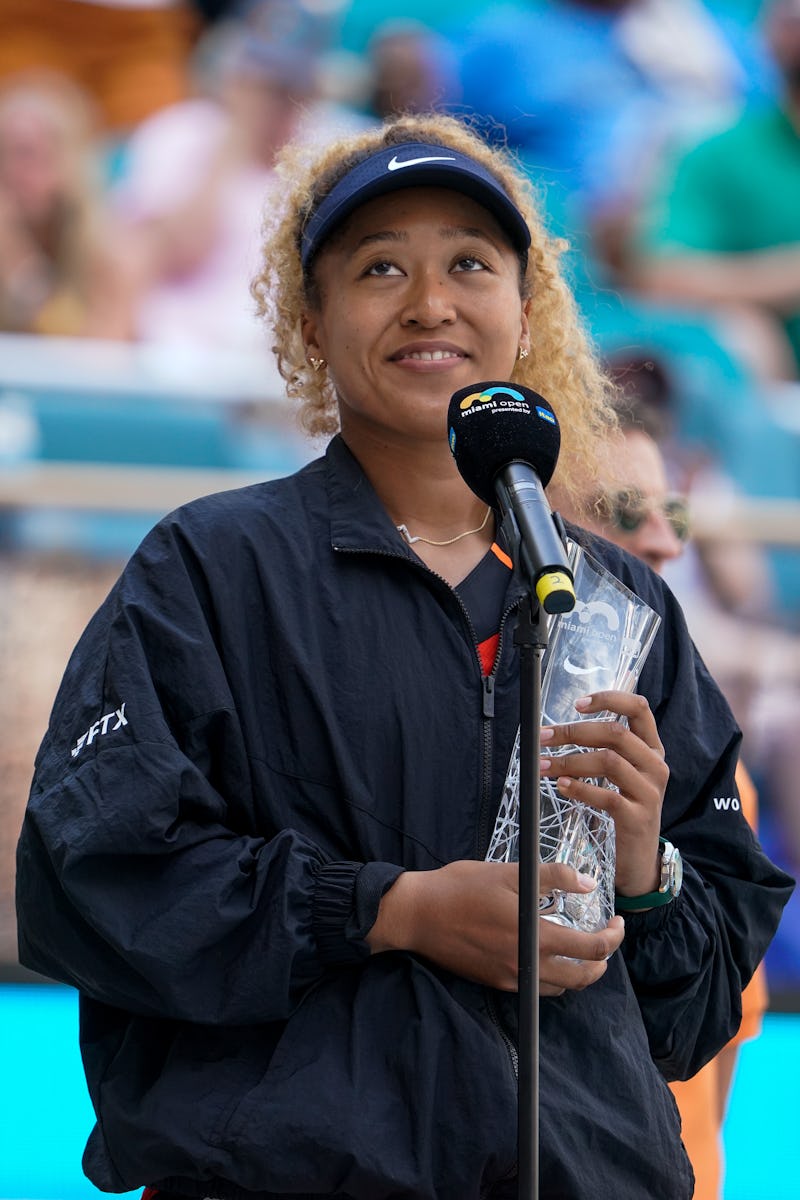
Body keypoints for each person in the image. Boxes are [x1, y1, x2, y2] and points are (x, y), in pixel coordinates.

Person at [15, 112, 793, 1200]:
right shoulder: (210, 569)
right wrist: (388, 909)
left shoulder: (620, 606)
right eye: (380, 267)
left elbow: (692, 1014)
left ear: (522, 316)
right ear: (310, 321)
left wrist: (642, 877)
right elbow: (90, 879)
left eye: (469, 264)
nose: (430, 303)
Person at [550, 393, 770, 1200]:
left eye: (675, 510)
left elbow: (726, 1032)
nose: (663, 540)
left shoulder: (714, 766)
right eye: (621, 511)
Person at [624, 0, 800, 380]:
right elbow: (663, 274)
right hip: (773, 385)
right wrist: (784, 279)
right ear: (769, 37)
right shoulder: (717, 153)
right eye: (791, 19)